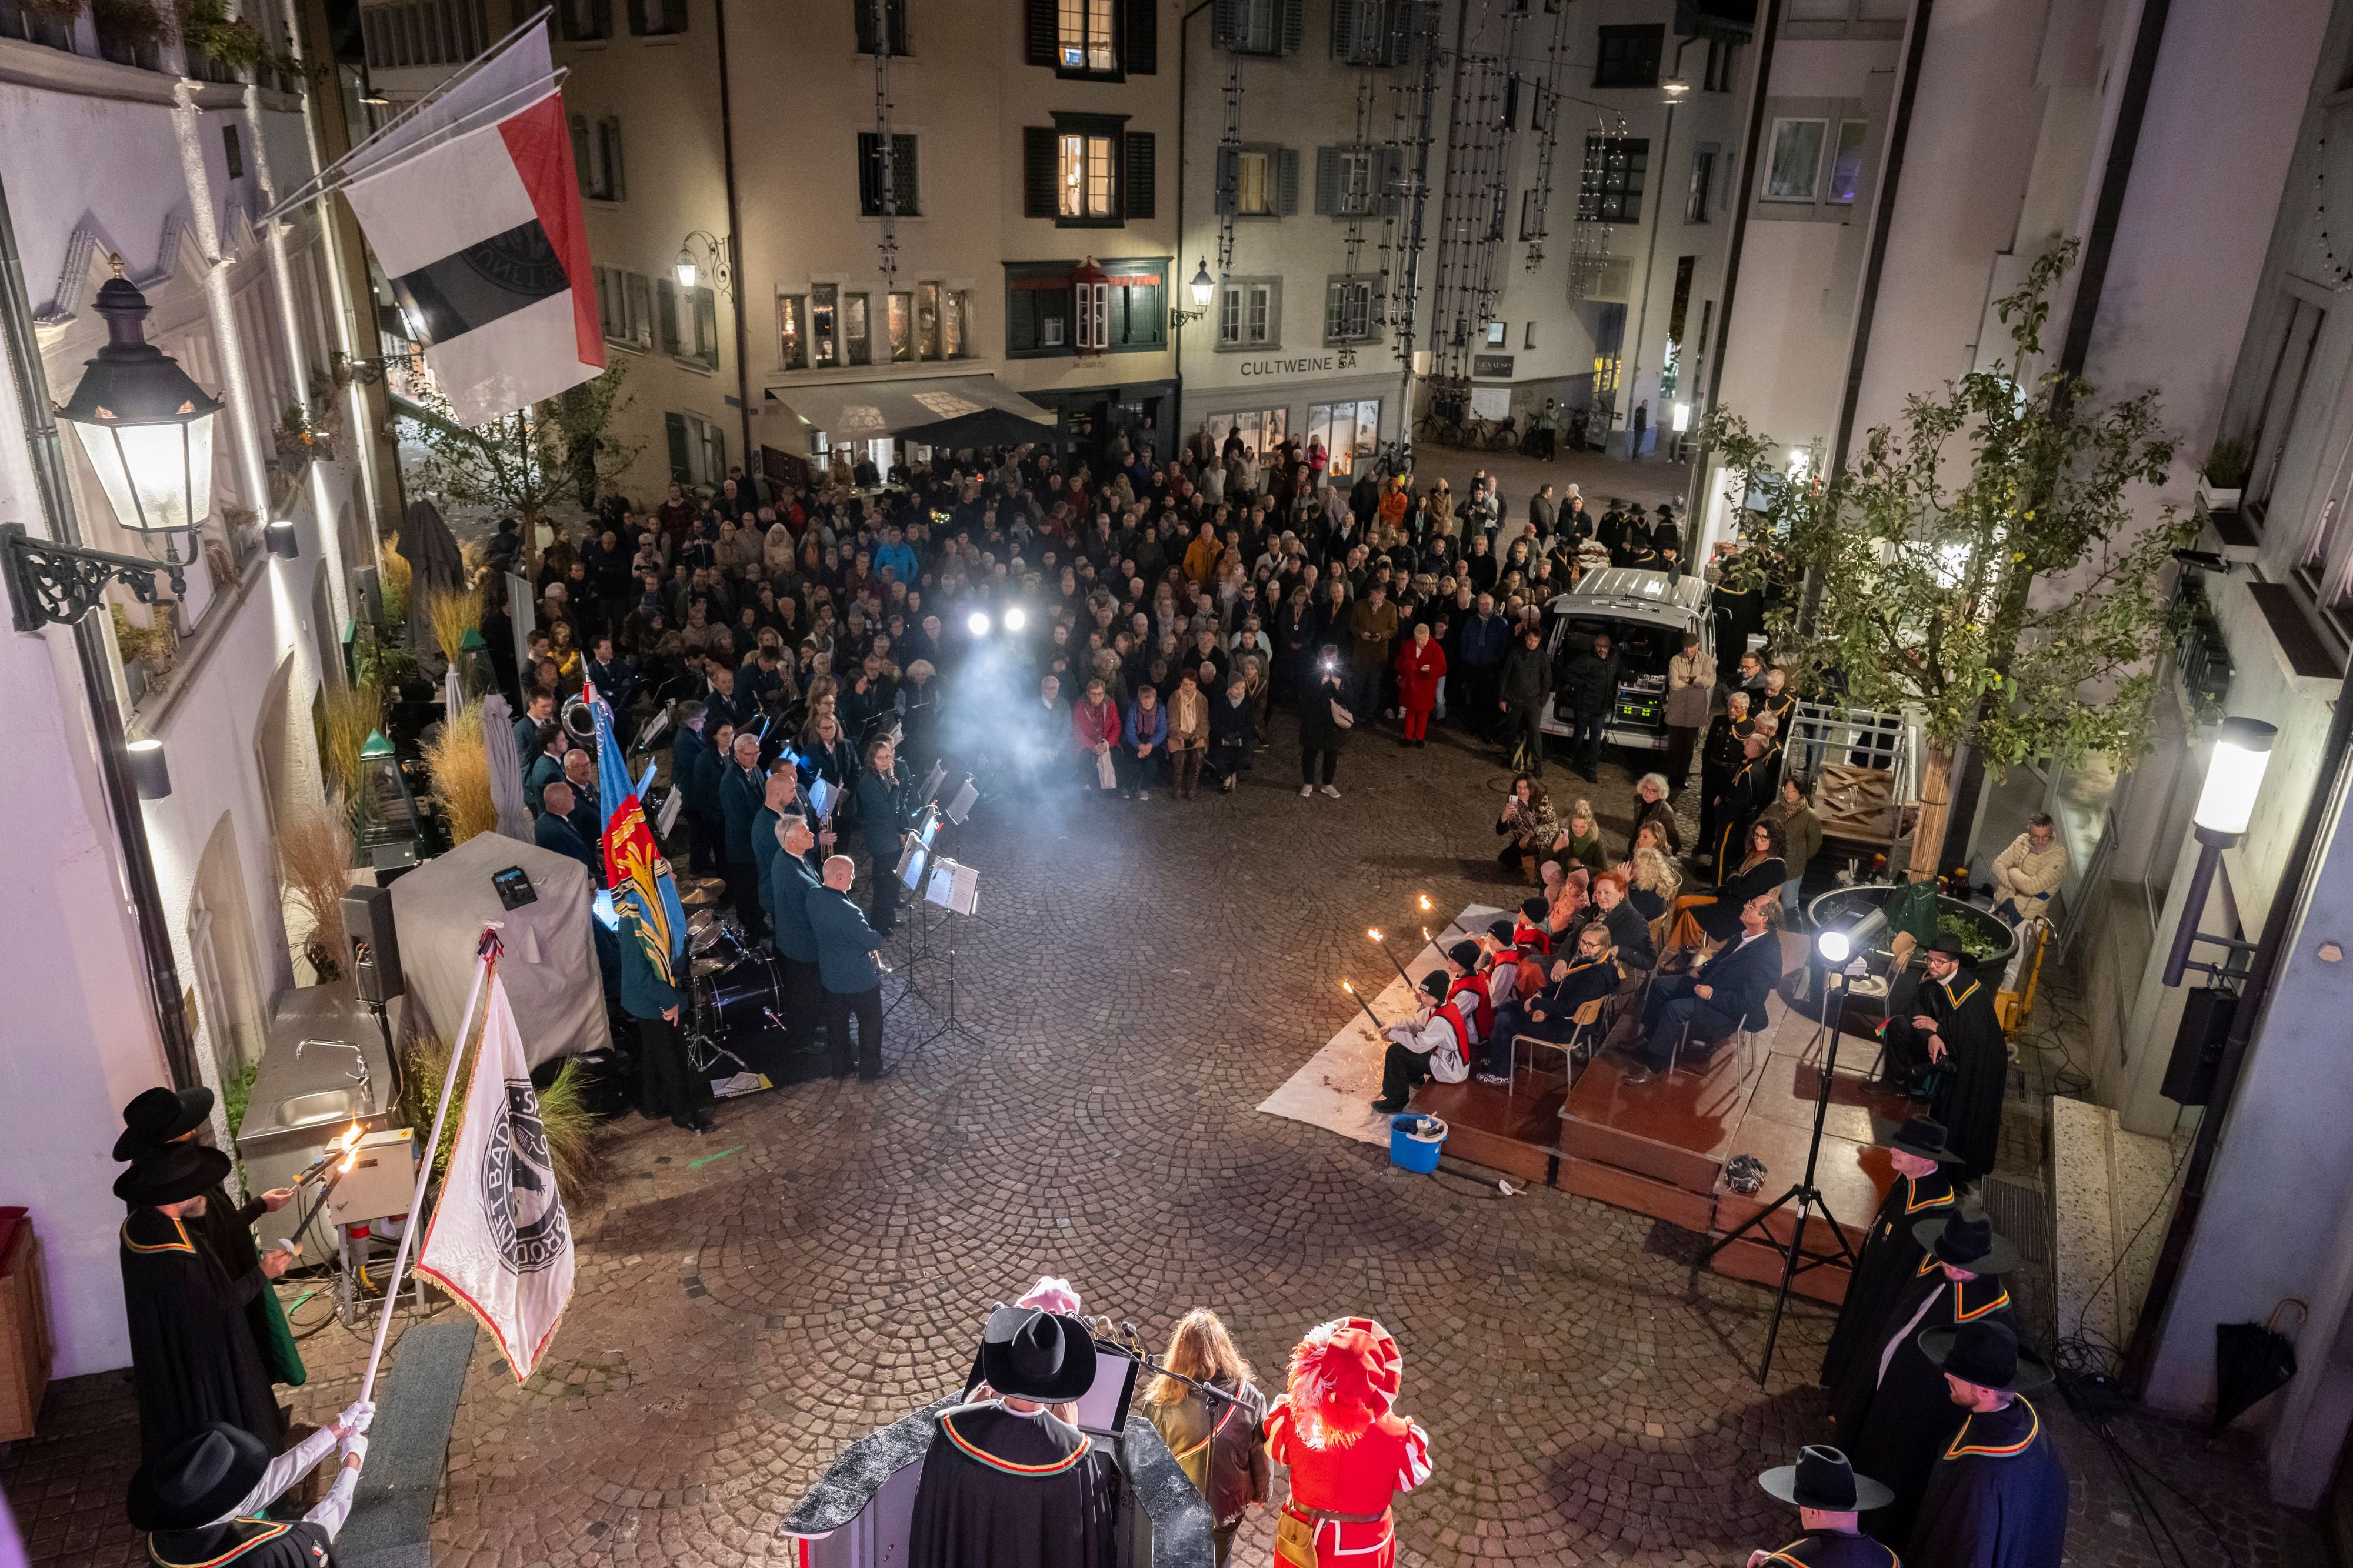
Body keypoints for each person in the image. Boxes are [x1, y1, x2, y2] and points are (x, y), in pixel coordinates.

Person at [1838, 1212, 2025, 1547]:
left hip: (1918, 1422)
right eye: (1947, 1261)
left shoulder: (1993, 1319)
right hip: (1884, 1396)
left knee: (1893, 1480)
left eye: (1961, 1267)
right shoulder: (1934, 1272)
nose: (1951, 1270)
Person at [112, 1088, 303, 1396]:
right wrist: (258, 1276)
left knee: (253, 1368)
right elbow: (199, 1294)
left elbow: (221, 1226)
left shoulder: (186, 1169)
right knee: (238, 1383)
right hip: (221, 1308)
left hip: (233, 1290)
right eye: (186, 1125)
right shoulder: (161, 1191)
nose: (194, 1129)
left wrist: (259, 1206)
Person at [116, 1141, 293, 1461]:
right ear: (173, 1193)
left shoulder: (140, 1225)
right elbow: (215, 1308)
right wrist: (263, 1273)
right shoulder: (176, 1252)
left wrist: (257, 1207)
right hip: (207, 1369)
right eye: (197, 1189)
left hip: (173, 1360)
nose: (204, 1195)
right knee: (244, 1430)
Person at [909, 1306, 1118, 1568]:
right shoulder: (1076, 1458)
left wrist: (967, 1412)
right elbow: (1084, 1545)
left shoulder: (952, 1435)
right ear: (1059, 1384)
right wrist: (1071, 1433)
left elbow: (931, 1527)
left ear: (1005, 1368)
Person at [1265, 1316, 1432, 1568]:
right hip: (1366, 1552)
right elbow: (1409, 1478)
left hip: (1302, 1543)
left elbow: (1276, 1450)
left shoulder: (1292, 1417)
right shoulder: (1400, 1437)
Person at [129, 1407, 378, 1568]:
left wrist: (335, 1432)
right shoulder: (267, 1553)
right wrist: (352, 1465)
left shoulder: (165, 1536)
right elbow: (315, 1531)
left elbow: (260, 1490)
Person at [1907, 1321, 2068, 1568]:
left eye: (1958, 1373)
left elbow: (1961, 1553)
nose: (1947, 1375)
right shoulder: (2026, 1418)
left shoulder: (1977, 1473)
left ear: (1985, 1391)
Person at [1821, 1119, 1963, 1393]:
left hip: (1886, 1297)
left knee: (1868, 1343)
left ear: (1925, 1160)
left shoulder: (1935, 1211)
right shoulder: (1909, 1180)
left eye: (1903, 1149)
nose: (1891, 1151)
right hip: (1871, 1281)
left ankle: (1846, 1400)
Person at [1140, 1310, 1269, 1567]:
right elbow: (1260, 1455)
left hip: (1177, 1507)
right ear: (1224, 1348)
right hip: (1228, 1507)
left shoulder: (1160, 1402)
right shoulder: (1251, 1398)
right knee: (1220, 1558)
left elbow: (1148, 1460)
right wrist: (1262, 1492)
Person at [1875, 938, 2007, 1180]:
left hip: (1972, 1067)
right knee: (1899, 1025)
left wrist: (1940, 1030)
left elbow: (1974, 1041)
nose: (1932, 965)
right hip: (1943, 1049)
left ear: (1955, 964)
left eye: (1939, 961)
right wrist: (1932, 1035)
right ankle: (1897, 1083)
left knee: (1957, 1115)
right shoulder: (1933, 981)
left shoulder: (1971, 997)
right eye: (1930, 959)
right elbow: (1916, 1011)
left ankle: (1949, 1167)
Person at [1628, 894, 1780, 1085]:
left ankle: (1653, 1066)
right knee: (1660, 985)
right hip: (1711, 985)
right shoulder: (1747, 934)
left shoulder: (1766, 957)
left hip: (1724, 1009)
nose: (1745, 905)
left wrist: (1712, 995)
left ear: (1763, 919)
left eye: (1752, 905)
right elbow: (1722, 960)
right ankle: (1649, 1040)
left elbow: (1748, 1004)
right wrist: (1702, 969)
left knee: (1674, 1009)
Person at [618, 900, 714, 1132]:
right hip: (654, 1001)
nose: (672, 879)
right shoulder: (632, 918)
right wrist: (669, 1001)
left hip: (663, 996)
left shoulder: (659, 904)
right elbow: (640, 972)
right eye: (666, 875)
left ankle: (651, 1103)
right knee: (673, 1057)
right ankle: (683, 1113)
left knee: (654, 1052)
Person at [1745, 1446, 1898, 1568]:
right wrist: (1781, 1560)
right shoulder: (1892, 1561)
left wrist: (1781, 1562)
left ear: (1813, 1512)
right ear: (1856, 1507)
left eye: (1800, 1507)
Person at [808, 854, 889, 1081]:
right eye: (852, 873)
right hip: (859, 980)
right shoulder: (849, 912)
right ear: (841, 877)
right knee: (871, 1024)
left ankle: (841, 1067)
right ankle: (870, 1069)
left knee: (837, 1026)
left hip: (832, 979)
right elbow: (872, 941)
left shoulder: (813, 896)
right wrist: (876, 933)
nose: (854, 877)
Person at [1371, 971, 1474, 1112]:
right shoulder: (1444, 1006)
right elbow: (1415, 1022)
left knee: (1395, 1052)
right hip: (1452, 1061)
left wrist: (1394, 1036)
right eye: (1422, 993)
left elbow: (1419, 1046)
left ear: (1438, 996)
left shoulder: (1440, 1020)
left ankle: (1396, 1101)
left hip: (1450, 1069)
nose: (1422, 998)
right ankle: (1414, 1078)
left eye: (1427, 996)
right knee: (1406, 1043)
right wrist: (1392, 1027)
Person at [767, 816, 825, 1056]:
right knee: (805, 995)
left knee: (808, 992)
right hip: (801, 945)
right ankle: (802, 1039)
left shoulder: (790, 857)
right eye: (805, 834)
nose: (812, 836)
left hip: (795, 941)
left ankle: (810, 1028)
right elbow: (804, 914)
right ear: (791, 841)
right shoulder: (791, 874)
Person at [854, 735, 909, 936]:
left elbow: (899, 807)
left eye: (887, 757)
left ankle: (889, 917)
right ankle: (879, 924)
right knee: (884, 884)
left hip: (892, 838)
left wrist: (903, 831)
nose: (885, 761)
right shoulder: (868, 782)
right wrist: (896, 789)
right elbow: (885, 811)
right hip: (881, 841)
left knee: (893, 882)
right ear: (872, 759)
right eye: (880, 758)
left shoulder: (886, 775)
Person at [718, 730, 770, 943]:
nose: (754, 758)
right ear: (737, 753)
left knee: (757, 888)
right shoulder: (731, 781)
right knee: (746, 891)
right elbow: (738, 820)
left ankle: (759, 922)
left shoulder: (755, 768)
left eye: (757, 753)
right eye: (749, 754)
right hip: (743, 846)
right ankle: (750, 931)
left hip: (755, 842)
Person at [1708, 732, 1774, 880]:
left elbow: (1740, 802)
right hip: (1741, 819)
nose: (1744, 743)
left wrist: (1724, 818)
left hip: (1734, 821)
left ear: (1756, 749)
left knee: (1722, 854)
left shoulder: (1750, 772)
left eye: (1748, 743)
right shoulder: (1754, 766)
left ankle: (1717, 885)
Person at [1698, 690, 1753, 866]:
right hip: (1713, 774)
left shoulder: (1750, 728)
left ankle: (1720, 849)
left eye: (1736, 708)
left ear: (1745, 709)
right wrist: (1706, 769)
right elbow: (1707, 749)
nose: (1732, 711)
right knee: (1707, 811)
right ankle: (1704, 846)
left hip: (1730, 778)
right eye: (1730, 706)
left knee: (1722, 813)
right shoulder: (1719, 721)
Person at [1761, 773, 1823, 923]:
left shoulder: (1810, 816)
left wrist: (1799, 856)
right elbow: (1760, 827)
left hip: (1792, 869)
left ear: (1802, 794)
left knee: (1790, 905)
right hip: (1771, 863)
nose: (1788, 793)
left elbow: (1815, 842)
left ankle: (1796, 935)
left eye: (1793, 791)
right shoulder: (1775, 808)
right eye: (1786, 789)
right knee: (1765, 899)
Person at [1558, 632, 1619, 781]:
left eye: (1605, 646)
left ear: (1610, 647)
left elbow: (1621, 671)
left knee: (1596, 738)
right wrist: (1583, 684)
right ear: (1594, 645)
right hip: (1584, 705)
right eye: (1599, 646)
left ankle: (1591, 766)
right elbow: (1568, 672)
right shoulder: (1586, 659)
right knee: (1580, 733)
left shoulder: (1613, 660)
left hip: (1600, 708)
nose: (1602, 649)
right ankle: (1575, 759)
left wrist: (1637, 677)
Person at [1989, 814, 2065, 926]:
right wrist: (2019, 887)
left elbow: (2030, 888)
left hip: (2025, 920)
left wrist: (2012, 871)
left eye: (2046, 836)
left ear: (2052, 831)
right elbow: (1998, 864)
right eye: (2035, 836)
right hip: (1999, 905)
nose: (2040, 841)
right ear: (2029, 831)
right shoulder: (2021, 840)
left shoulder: (2059, 859)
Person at [1665, 632, 1715, 794]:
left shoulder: (1706, 660)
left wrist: (1687, 679)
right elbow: (1674, 683)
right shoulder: (1675, 660)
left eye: (1691, 647)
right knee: (1674, 748)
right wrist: (1696, 682)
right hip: (1677, 713)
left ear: (1697, 646)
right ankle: (1672, 778)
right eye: (1685, 647)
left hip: (1694, 713)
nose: (1688, 651)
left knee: (1688, 749)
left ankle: (1682, 777)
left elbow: (1708, 681)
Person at [1498, 625, 1551, 775]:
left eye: (1535, 641)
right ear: (1526, 639)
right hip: (1515, 699)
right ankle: (1511, 756)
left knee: (1535, 731)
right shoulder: (1515, 654)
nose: (1532, 643)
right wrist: (1502, 698)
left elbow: (1547, 681)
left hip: (1534, 701)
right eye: (1530, 640)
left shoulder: (1543, 658)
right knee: (1512, 728)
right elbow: (1505, 677)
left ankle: (1537, 763)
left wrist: (1542, 700)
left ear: (1539, 641)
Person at [1300, 646, 1349, 799]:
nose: (1330, 661)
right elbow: (1306, 696)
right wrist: (1320, 684)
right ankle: (1308, 783)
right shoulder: (1312, 671)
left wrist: (1339, 687)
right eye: (1328, 657)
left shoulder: (1342, 674)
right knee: (1310, 750)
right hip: (1314, 717)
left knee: (1331, 752)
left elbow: (1350, 698)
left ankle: (1327, 784)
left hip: (1331, 720)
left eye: (1333, 658)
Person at [534, 779, 604, 887]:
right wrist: (594, 881)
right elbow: (573, 865)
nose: (574, 798)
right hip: (584, 884)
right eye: (570, 795)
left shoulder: (545, 819)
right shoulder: (558, 833)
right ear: (558, 803)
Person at [1394, 623, 1444, 748]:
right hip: (1412, 685)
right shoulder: (1408, 645)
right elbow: (1399, 663)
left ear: (1428, 637)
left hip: (1426, 687)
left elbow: (1442, 668)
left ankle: (1420, 738)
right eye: (1418, 640)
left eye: (1423, 640)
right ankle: (1408, 736)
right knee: (1410, 712)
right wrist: (1406, 666)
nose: (1420, 643)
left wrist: (1431, 669)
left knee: (1423, 714)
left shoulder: (1436, 648)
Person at [1072, 675, 1123, 794]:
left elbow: (1116, 726)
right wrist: (1092, 745)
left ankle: (1111, 786)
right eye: (1094, 694)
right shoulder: (1080, 706)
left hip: (1106, 742)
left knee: (1117, 754)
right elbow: (1077, 730)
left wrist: (1107, 744)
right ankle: (1086, 786)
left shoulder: (1110, 704)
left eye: (1100, 694)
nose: (1098, 697)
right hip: (1087, 742)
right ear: (1088, 694)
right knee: (1084, 756)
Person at [1167, 665, 1210, 799]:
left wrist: (1197, 735)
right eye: (1185, 685)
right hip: (1179, 736)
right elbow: (1172, 722)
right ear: (1181, 684)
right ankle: (1178, 787)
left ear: (1195, 684)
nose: (1188, 688)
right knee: (1180, 757)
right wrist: (1180, 735)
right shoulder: (1174, 698)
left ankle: (1192, 787)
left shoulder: (1201, 699)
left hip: (1196, 737)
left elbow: (1204, 722)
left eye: (1191, 684)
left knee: (1198, 755)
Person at [1121, 680, 1169, 799]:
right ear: (1139, 699)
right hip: (1135, 740)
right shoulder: (1133, 708)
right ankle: (1126, 786)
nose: (1147, 701)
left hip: (1153, 741)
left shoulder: (1160, 710)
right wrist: (1140, 746)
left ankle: (1144, 788)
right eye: (1144, 698)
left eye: (1150, 698)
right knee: (1133, 762)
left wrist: (1150, 745)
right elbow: (1130, 731)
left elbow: (1162, 730)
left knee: (1152, 763)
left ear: (1155, 699)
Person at [1207, 672, 1254, 792]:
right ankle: (1227, 777)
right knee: (1215, 758)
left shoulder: (1248, 703)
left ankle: (1226, 775)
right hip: (1221, 740)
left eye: (1243, 688)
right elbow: (1214, 720)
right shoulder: (1220, 700)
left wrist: (1238, 735)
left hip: (1240, 741)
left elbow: (1249, 724)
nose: (1240, 691)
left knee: (1246, 759)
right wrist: (1224, 734)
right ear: (1230, 688)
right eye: (1237, 688)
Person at [1629, 772, 1682, 858]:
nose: (1648, 793)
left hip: (1651, 858)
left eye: (1653, 791)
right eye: (1646, 788)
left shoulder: (1666, 811)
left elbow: (1675, 842)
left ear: (1660, 793)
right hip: (1637, 853)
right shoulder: (1639, 803)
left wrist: (1660, 860)